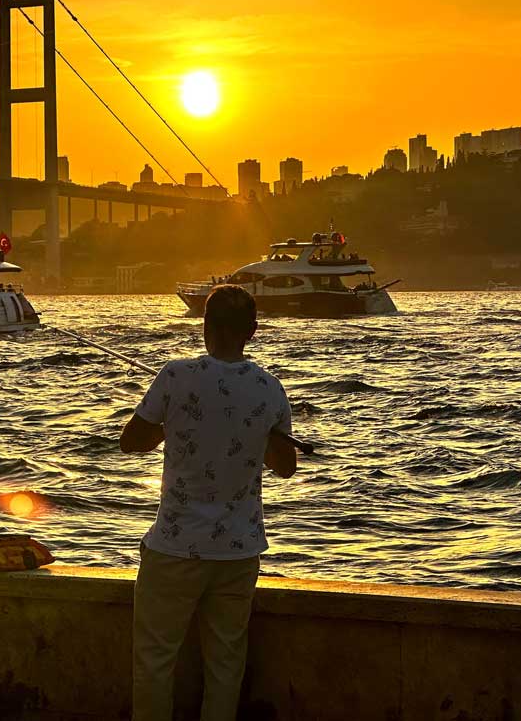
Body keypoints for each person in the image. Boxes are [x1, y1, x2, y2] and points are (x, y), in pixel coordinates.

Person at [121, 285, 297, 721]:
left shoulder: (176, 375)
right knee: (225, 664)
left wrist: (175, 421)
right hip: (239, 550)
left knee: (155, 660)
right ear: (252, 332)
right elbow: (286, 466)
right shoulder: (269, 388)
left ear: (205, 327)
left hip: (175, 547)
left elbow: (131, 442)